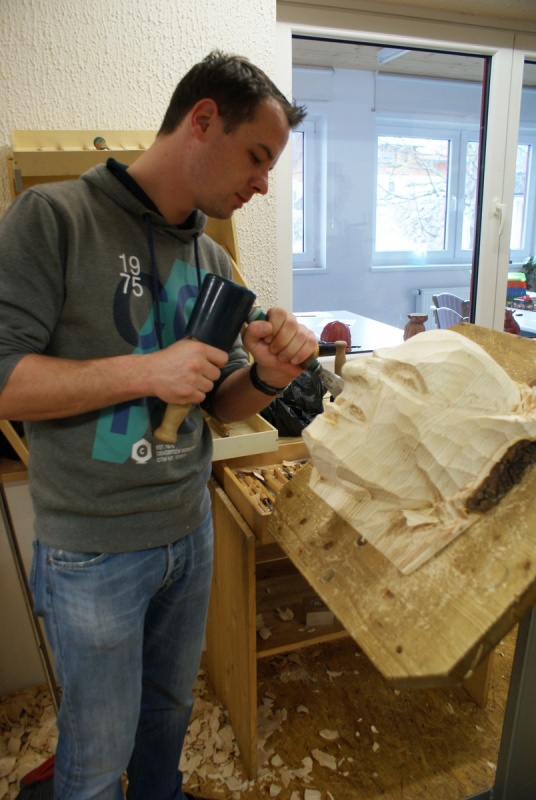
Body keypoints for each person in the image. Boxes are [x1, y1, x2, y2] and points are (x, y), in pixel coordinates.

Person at [0, 51, 315, 800]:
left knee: (168, 714)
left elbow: (216, 403)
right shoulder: (54, 218)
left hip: (188, 531)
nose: (263, 183)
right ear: (203, 120)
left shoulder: (212, 259)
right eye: (257, 156)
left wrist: (268, 376)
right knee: (96, 750)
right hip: (92, 549)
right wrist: (147, 371)